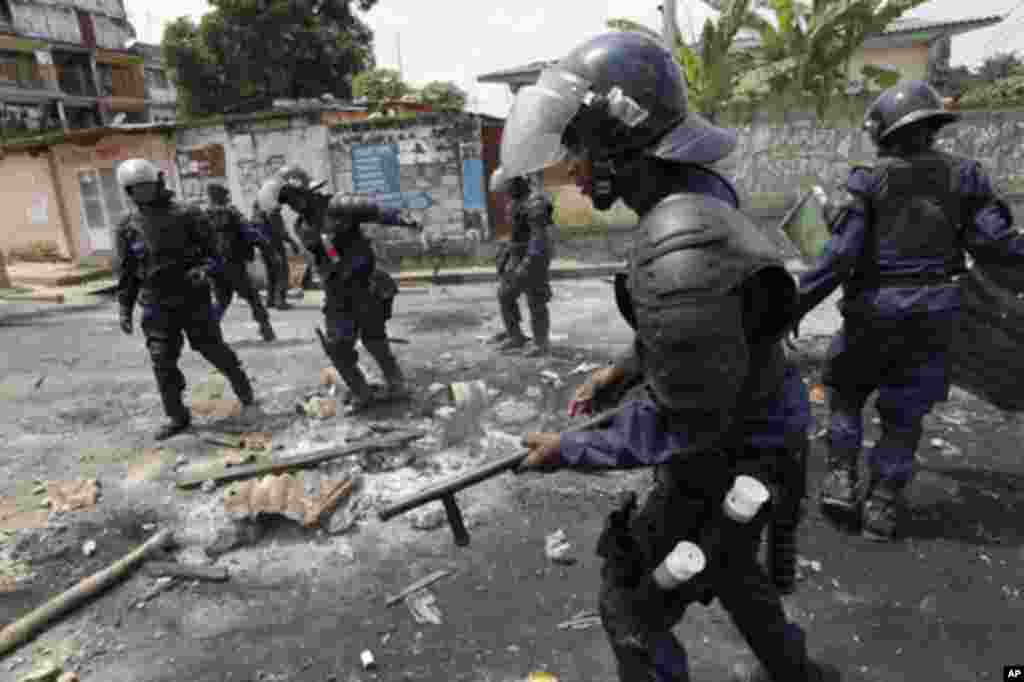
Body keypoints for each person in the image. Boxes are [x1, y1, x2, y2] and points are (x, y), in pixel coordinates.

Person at [502, 32, 838, 682]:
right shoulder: (698, 191)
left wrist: (569, 447)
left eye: (577, 147)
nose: (569, 168)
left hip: (731, 451)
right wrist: (623, 369)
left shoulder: (679, 239)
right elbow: (711, 324)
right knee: (733, 567)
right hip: (765, 438)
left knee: (632, 601)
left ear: (619, 143)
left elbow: (683, 420)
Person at [795, 79, 1024, 541]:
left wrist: (794, 304)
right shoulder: (967, 176)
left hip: (873, 313)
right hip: (936, 315)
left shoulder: (868, 179)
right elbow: (995, 245)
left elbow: (840, 257)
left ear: (881, 131)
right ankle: (882, 506)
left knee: (845, 391)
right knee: (905, 413)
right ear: (932, 126)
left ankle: (841, 479)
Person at [114, 159, 257, 441]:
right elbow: (127, 272)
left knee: (211, 348)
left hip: (193, 299)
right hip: (156, 304)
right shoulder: (127, 227)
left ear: (158, 183)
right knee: (161, 361)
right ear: (128, 192)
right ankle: (177, 415)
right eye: (136, 189)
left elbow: (216, 255)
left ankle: (243, 389)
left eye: (147, 187)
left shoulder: (188, 214)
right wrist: (124, 308)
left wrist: (205, 271)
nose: (142, 193)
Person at [256, 171, 423, 408]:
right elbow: (322, 254)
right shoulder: (302, 225)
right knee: (338, 348)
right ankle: (362, 393)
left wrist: (407, 220)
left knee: (375, 340)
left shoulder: (339, 205)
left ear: (304, 193)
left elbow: (377, 212)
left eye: (293, 198)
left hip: (366, 286)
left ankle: (397, 385)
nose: (293, 205)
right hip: (338, 292)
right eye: (287, 202)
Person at [487, 168, 554, 357]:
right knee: (505, 295)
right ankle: (516, 337)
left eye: (506, 189)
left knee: (536, 300)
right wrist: (506, 254)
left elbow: (539, 237)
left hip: (535, 257)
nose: (505, 194)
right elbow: (516, 234)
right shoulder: (515, 203)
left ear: (516, 183)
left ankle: (541, 343)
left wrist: (529, 262)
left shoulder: (535, 203)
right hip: (518, 255)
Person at [204, 183, 276, 342]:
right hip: (233, 264)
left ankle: (209, 332)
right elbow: (249, 232)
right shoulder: (231, 213)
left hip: (214, 267)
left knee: (222, 300)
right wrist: (265, 244)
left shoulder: (203, 216)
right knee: (252, 297)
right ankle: (266, 328)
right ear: (222, 196)